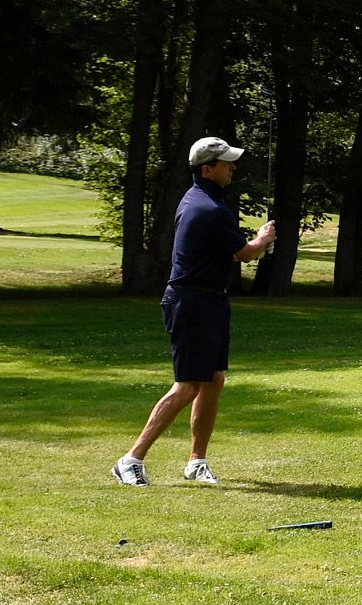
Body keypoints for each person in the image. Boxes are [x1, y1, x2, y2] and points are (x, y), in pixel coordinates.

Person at [112, 136, 277, 486]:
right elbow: (245, 253)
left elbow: (229, 251)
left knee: (213, 380)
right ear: (207, 169)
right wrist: (263, 239)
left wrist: (249, 246)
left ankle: (196, 461)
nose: (232, 167)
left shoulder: (203, 201)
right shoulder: (209, 208)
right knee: (187, 386)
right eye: (226, 162)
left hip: (210, 301)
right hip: (191, 302)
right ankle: (130, 459)